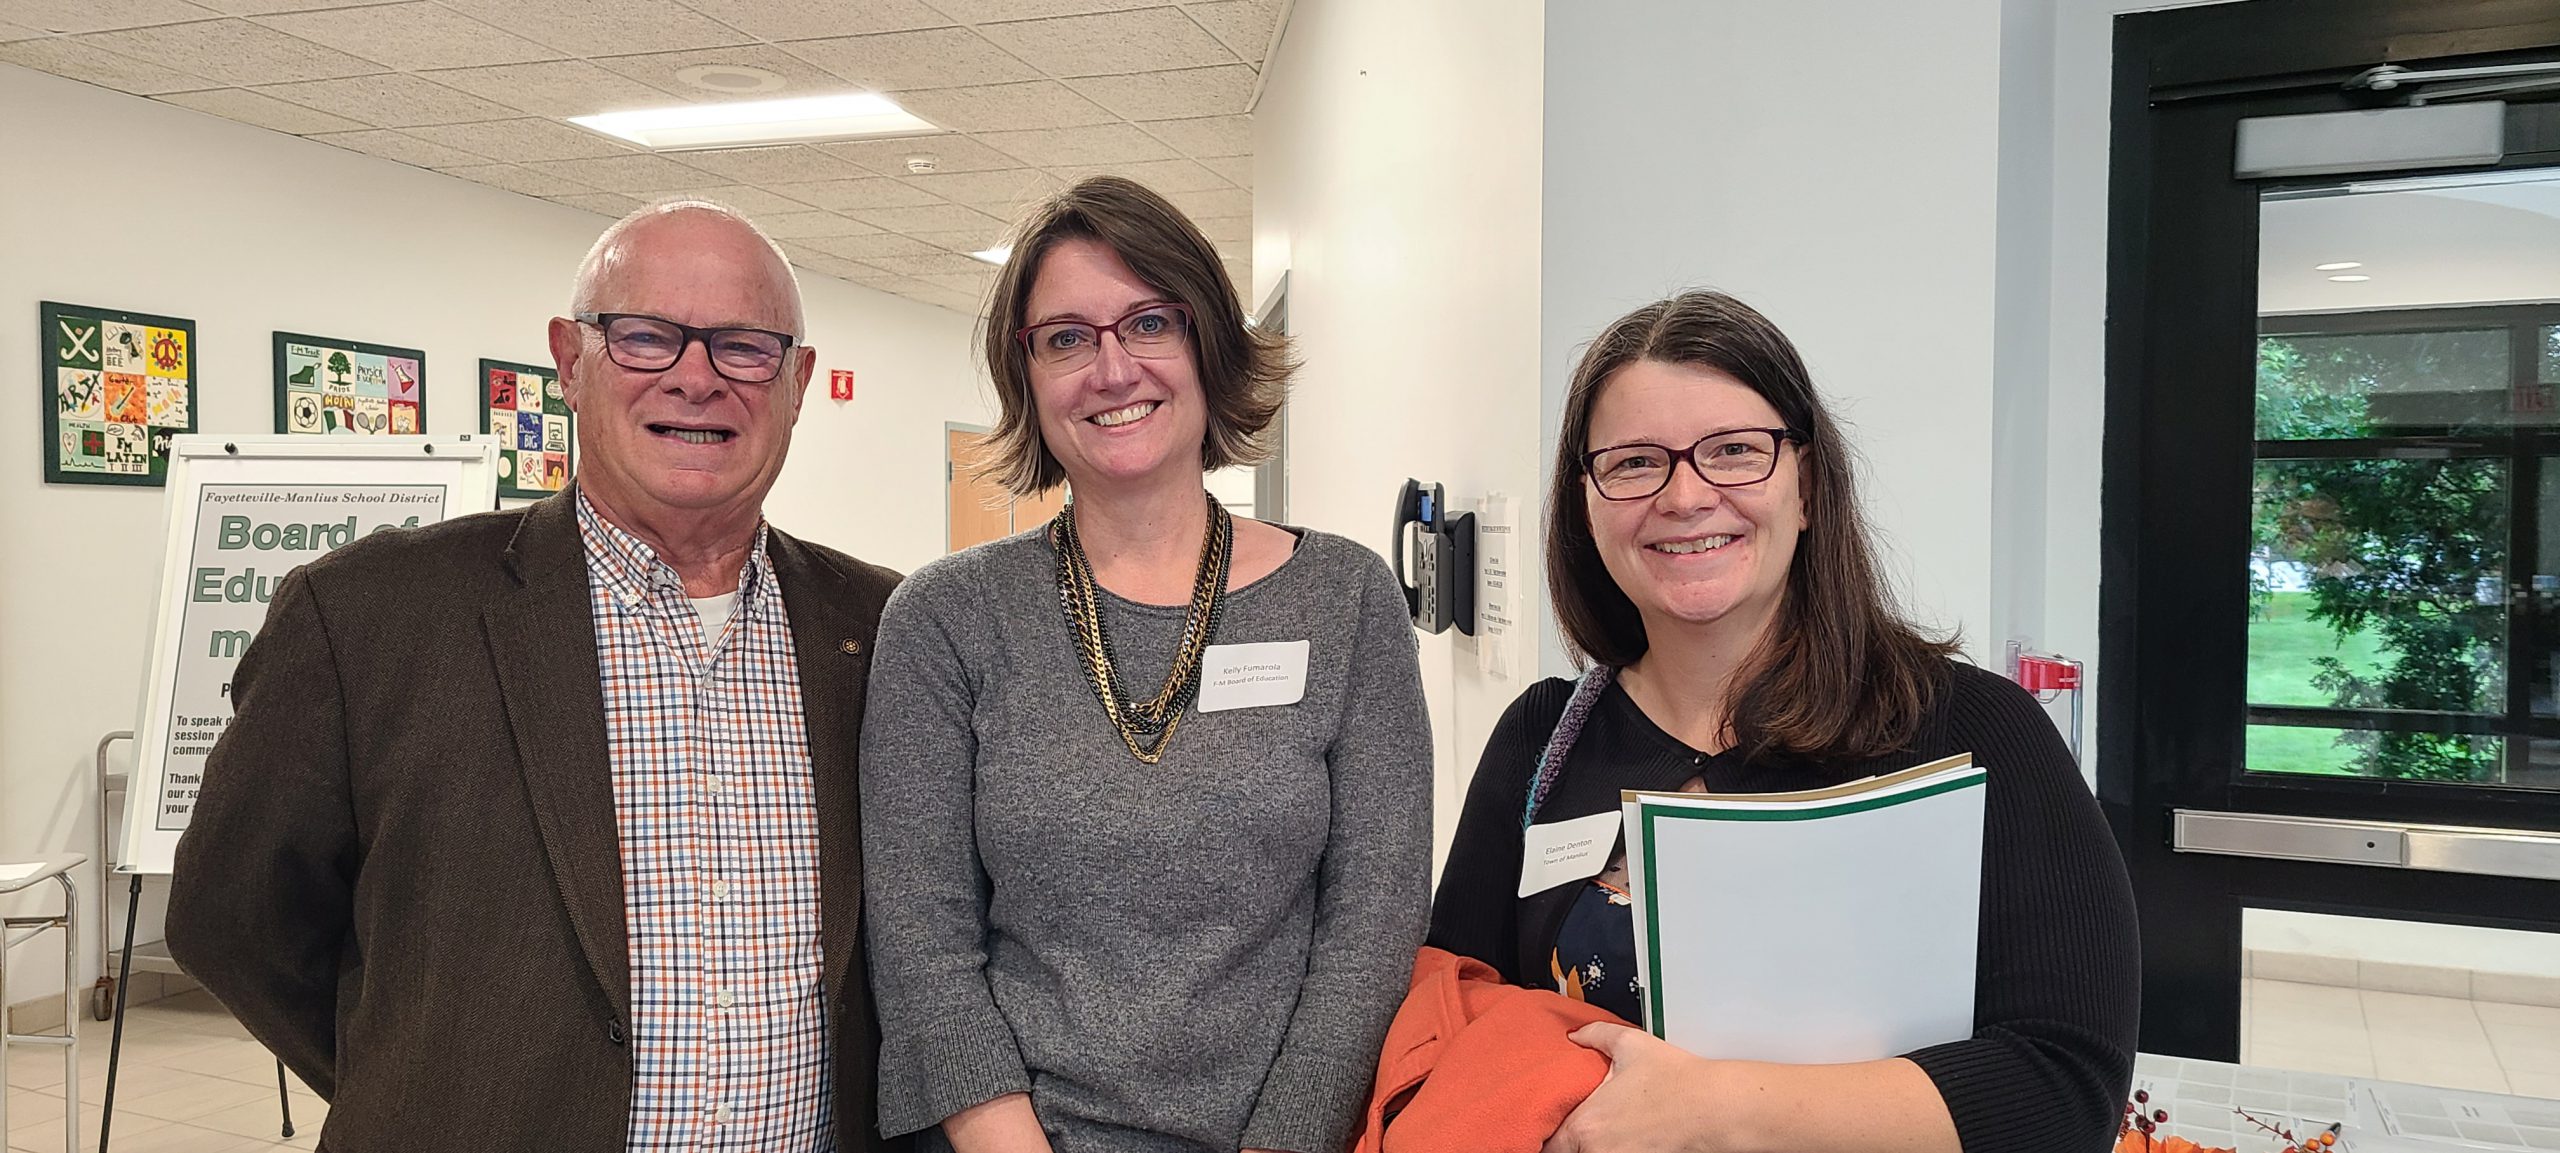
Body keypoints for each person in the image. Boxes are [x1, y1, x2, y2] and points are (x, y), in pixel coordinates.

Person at [167, 201, 906, 1153]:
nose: (695, 377)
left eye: (744, 347)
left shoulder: (881, 627)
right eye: (644, 337)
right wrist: (424, 1081)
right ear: (570, 358)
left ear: (799, 381)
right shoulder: (369, 617)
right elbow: (233, 920)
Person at [1427, 291, 2138, 1153]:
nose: (1685, 495)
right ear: (1587, 503)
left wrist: (1712, 1109)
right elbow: (1456, 1014)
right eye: (1634, 462)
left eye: (1734, 451)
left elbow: (2064, 1088)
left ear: (1807, 487)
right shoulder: (1540, 738)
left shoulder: (1973, 730)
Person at [859, 176, 1432, 1153]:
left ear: (1206, 342)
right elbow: (922, 945)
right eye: (1066, 338)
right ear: (1027, 376)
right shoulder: (946, 617)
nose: (1111, 368)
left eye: (1148, 323)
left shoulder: (1344, 599)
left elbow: (1371, 923)